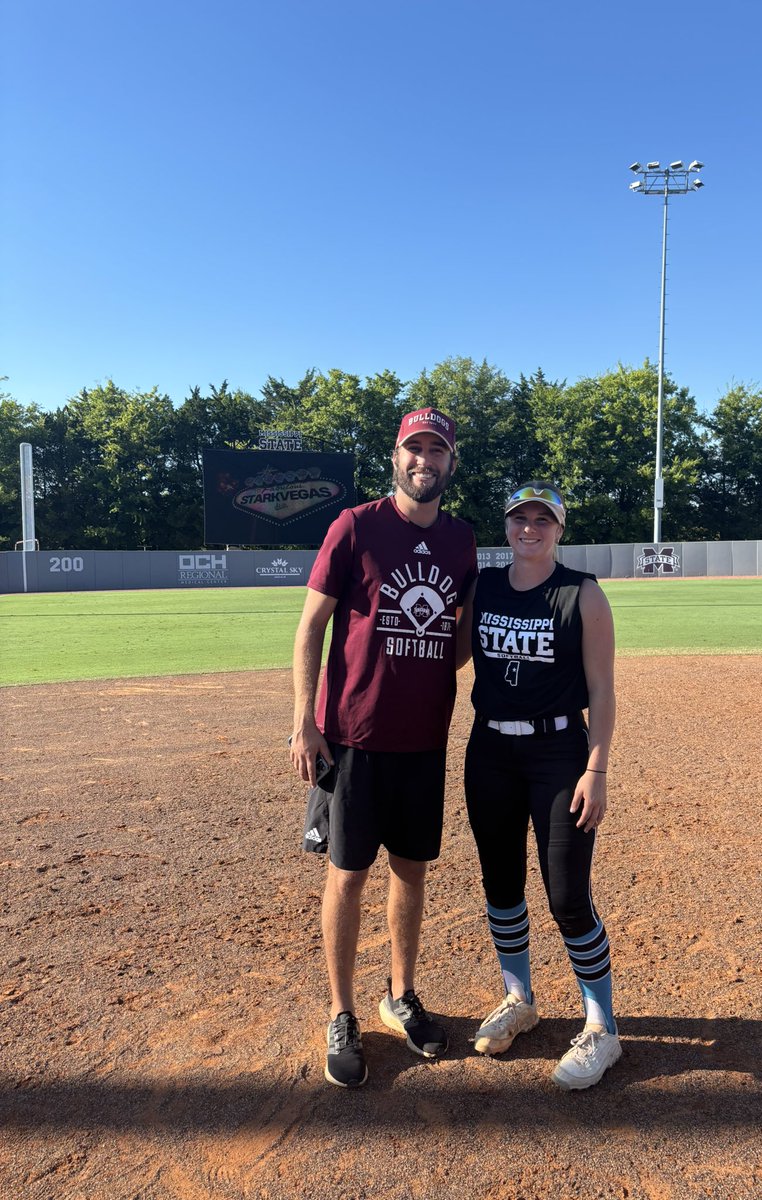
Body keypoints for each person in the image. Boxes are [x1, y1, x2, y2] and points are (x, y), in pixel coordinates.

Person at [290, 407, 478, 1088]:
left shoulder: (462, 541)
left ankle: (400, 995)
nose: (425, 459)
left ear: (452, 463)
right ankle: (343, 1012)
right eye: (414, 448)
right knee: (347, 873)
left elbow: (455, 644)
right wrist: (304, 723)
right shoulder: (357, 526)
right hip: (354, 738)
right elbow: (311, 627)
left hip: (423, 739)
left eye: (437, 449)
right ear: (395, 457)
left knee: (412, 871)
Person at [460, 481, 620, 1090]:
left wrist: (596, 769)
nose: (530, 528)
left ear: (559, 529)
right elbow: (449, 656)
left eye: (542, 520)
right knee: (500, 883)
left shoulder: (581, 592)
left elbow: (602, 690)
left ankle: (602, 1027)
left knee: (567, 896)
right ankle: (519, 997)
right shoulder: (485, 587)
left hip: (558, 753)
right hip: (491, 751)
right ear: (506, 526)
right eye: (519, 518)